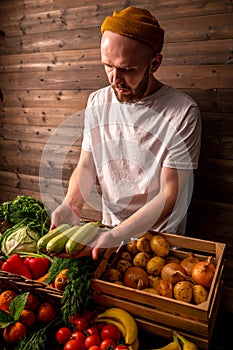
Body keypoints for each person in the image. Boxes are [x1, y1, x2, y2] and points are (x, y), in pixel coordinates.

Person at [50, 7, 202, 261]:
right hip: (107, 232)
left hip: (159, 244)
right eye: (108, 66)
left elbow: (171, 193)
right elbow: (87, 164)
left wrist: (119, 234)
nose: (114, 79)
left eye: (127, 69)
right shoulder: (97, 102)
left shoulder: (183, 111)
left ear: (155, 63)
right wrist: (72, 204)